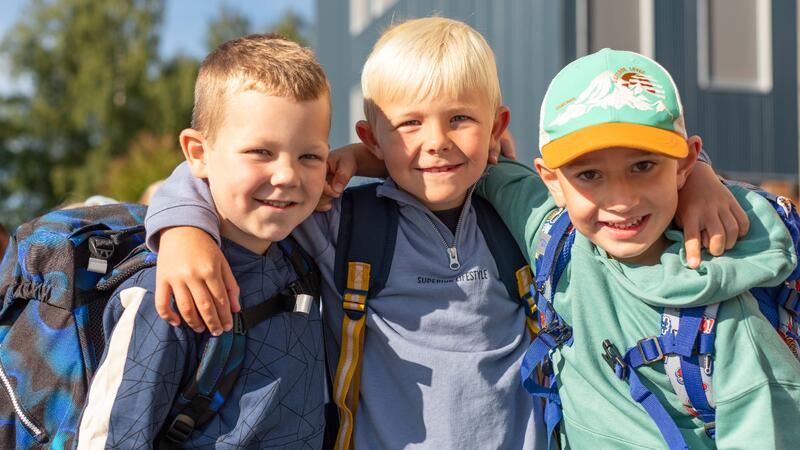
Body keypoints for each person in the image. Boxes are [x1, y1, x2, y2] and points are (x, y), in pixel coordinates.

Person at [143, 19, 744, 449]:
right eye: (409, 125)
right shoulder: (339, 221)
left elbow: (622, 174)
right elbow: (228, 175)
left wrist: (703, 179)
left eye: (460, 119)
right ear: (373, 136)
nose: (436, 141)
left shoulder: (521, 212)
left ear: (496, 126)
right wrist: (182, 229)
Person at [476, 48, 800, 448]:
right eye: (590, 174)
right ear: (551, 181)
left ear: (684, 163)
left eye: (642, 166)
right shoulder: (556, 238)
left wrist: (701, 174)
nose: (621, 200)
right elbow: (470, 170)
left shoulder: (727, 323)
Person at [76, 33, 330, 448]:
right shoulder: (164, 293)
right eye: (260, 152)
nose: (287, 176)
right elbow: (113, 437)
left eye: (310, 156)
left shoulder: (302, 250)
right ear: (198, 153)